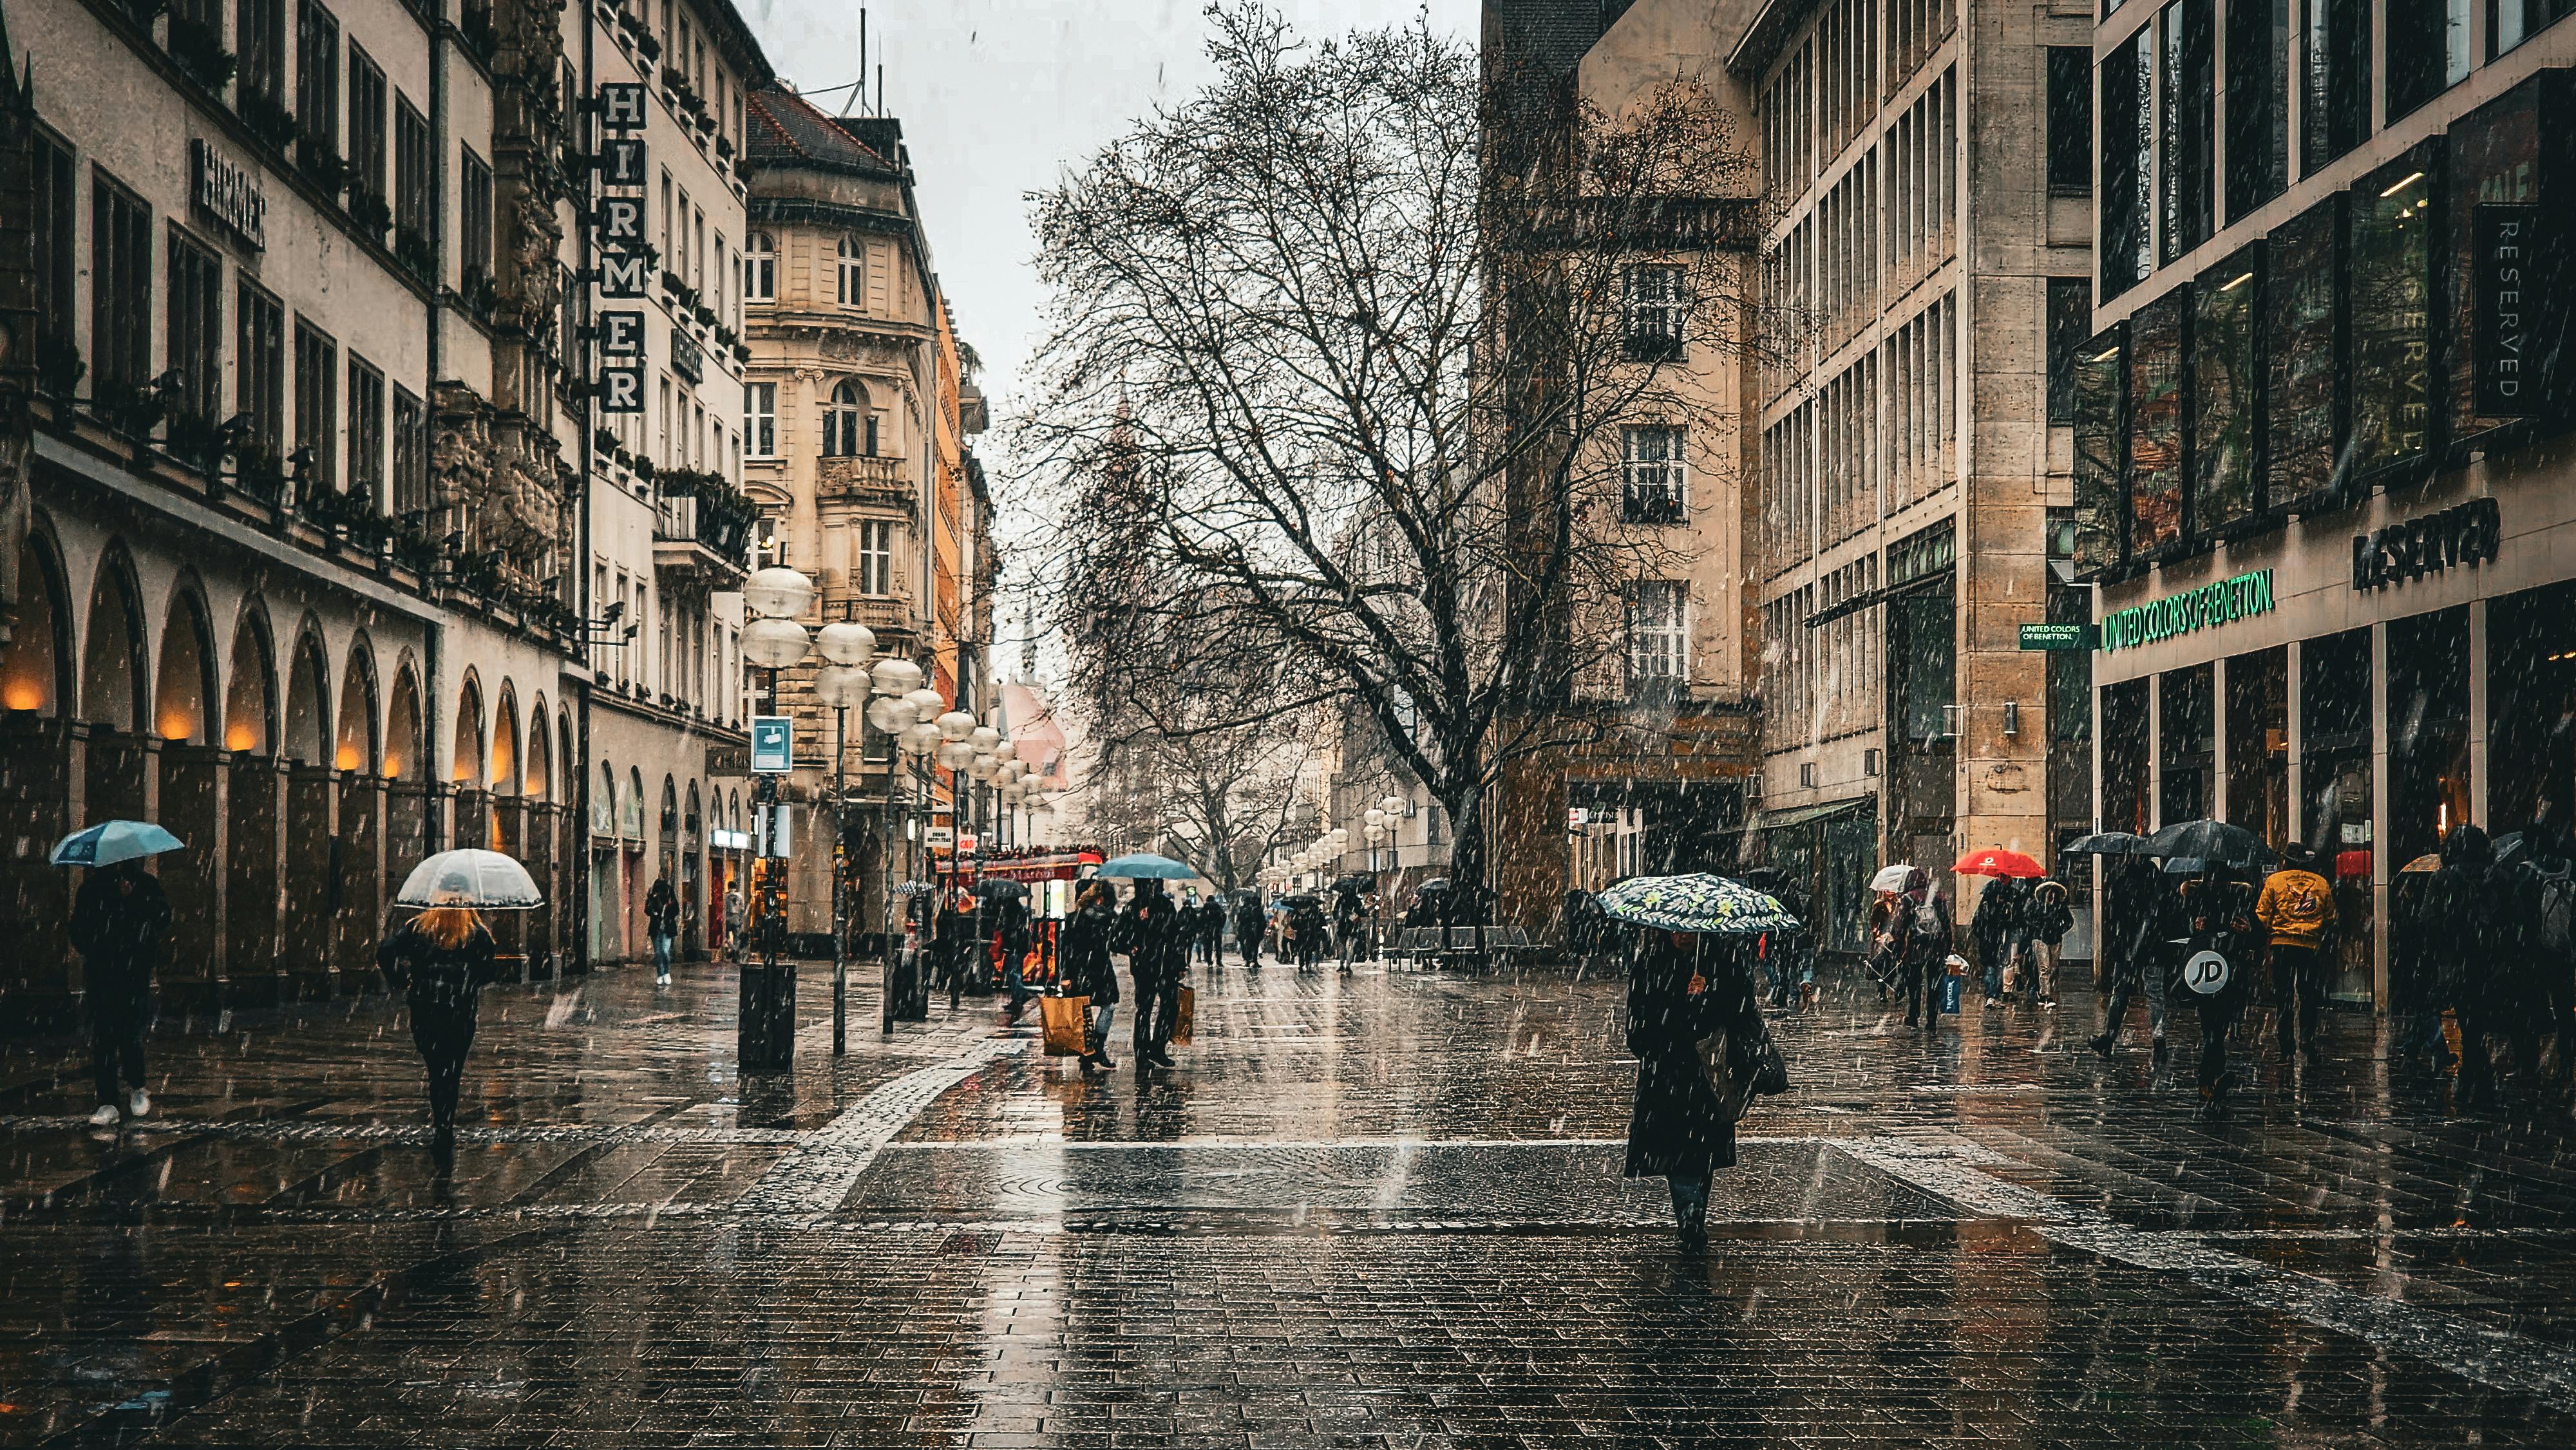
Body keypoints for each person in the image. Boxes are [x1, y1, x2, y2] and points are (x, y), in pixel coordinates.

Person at [1622, 929, 1771, 1250]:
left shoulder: (1723, 963)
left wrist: (1707, 997)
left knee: (1702, 1151)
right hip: (1666, 1074)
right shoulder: (1651, 963)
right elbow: (1636, 1027)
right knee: (1677, 1150)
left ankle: (1694, 1213)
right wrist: (1667, 1028)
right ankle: (1689, 1213)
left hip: (1710, 1074)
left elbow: (1741, 1009)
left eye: (1689, 930)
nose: (1681, 936)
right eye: (1675, 929)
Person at [377, 901, 502, 1144]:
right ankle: (445, 1124)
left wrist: (401, 980)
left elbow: (385, 951)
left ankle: (440, 1122)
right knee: (452, 1071)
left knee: (436, 1068)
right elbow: (489, 971)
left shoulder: (418, 928)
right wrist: (470, 981)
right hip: (460, 1012)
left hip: (426, 1009)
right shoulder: (476, 932)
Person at [70, 861, 172, 1128]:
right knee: (103, 1036)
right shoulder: (91, 889)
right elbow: (78, 929)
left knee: (130, 1032)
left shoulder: (145, 884)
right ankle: (107, 1101)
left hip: (134, 972)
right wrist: (97, 946)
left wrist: (134, 898)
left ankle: (137, 1086)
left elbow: (163, 918)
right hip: (102, 972)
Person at [2178, 865, 2260, 1120]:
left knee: (2216, 1028)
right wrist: (2195, 927)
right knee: (2213, 1028)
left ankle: (2210, 1078)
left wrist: (2247, 931)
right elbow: (2180, 929)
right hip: (2207, 971)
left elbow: (2256, 934)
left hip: (2228, 972)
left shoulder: (2238, 901)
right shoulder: (2195, 902)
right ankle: (2210, 1077)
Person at [2255, 843, 2338, 1061]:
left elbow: (2262, 915)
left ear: (2285, 861)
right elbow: (2331, 917)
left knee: (2284, 997)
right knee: (2308, 995)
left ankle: (2286, 1045)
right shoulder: (2321, 883)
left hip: (2282, 946)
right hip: (2310, 947)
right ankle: (2307, 1039)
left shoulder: (2274, 882)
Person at [2090, 857, 2172, 1064]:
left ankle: (2110, 1038)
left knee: (2123, 992)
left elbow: (2116, 916)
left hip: (2133, 946)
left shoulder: (2125, 880)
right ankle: (2158, 1043)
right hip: (2150, 946)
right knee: (2152, 995)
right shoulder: (2157, 881)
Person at [1114, 880, 1186, 1072]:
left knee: (1169, 1006)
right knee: (1144, 1009)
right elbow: (1116, 939)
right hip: (1145, 967)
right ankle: (1142, 1054)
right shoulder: (1133, 908)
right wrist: (1133, 943)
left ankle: (1158, 1048)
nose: (1155, 888)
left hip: (1166, 965)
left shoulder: (1166, 907)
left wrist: (1179, 962)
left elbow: (1177, 937)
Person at [1059, 883, 1121, 1072]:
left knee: (1108, 1005)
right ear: (1099, 899)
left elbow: (1117, 943)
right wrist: (1066, 974)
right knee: (1085, 1008)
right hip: (1083, 968)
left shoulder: (1110, 919)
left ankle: (1096, 1048)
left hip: (1098, 966)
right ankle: (1089, 1052)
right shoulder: (1076, 919)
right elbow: (1067, 947)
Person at [1893, 867, 1951, 1028]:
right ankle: (1931, 1020)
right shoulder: (1938, 898)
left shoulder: (1909, 899)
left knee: (1914, 983)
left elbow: (1900, 925)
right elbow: (1946, 923)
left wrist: (1898, 946)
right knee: (1934, 983)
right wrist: (1948, 946)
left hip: (1916, 946)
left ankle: (1914, 1015)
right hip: (1936, 945)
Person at [1969, 875, 2028, 1008]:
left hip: (2003, 936)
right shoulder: (1990, 894)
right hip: (1991, 937)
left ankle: (1993, 995)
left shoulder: (2014, 895)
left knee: (2000, 965)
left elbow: (2018, 918)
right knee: (1991, 966)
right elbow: (1981, 918)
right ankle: (1991, 995)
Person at [2027, 879, 2074, 1007]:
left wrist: (2060, 929)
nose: (2051, 895)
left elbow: (2070, 921)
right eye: (2049, 892)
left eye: (2053, 892)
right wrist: (2038, 928)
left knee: (2053, 967)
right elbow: (2028, 919)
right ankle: (2045, 995)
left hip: (2055, 939)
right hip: (2040, 939)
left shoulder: (2060, 907)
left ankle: (2046, 992)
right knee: (2044, 967)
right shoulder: (2036, 906)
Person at [644, 878, 679, 985]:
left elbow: (676, 911)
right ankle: (660, 974)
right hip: (656, 929)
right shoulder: (652, 897)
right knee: (658, 953)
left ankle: (667, 972)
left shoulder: (671, 898)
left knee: (665, 951)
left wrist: (669, 907)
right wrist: (653, 909)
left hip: (667, 929)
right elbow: (647, 910)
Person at [1235, 893, 1266, 969]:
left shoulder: (1251, 910)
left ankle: (1252, 961)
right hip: (1251, 931)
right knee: (1251, 946)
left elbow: (1262, 921)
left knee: (1253, 946)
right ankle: (1250, 961)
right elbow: (1243, 920)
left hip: (1253, 931)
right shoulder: (1250, 910)